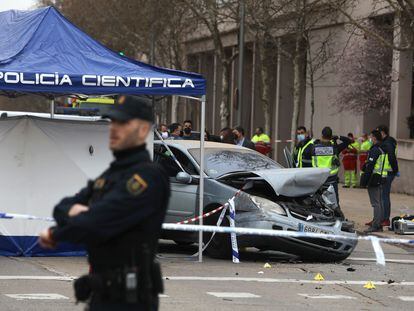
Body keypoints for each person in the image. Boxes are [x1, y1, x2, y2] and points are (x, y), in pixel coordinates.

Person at [39, 95, 170, 311]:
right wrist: (82, 213)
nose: (114, 128)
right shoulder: (110, 175)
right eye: (113, 122)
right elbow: (61, 207)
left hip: (131, 299)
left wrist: (55, 234)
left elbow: (96, 222)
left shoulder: (148, 177)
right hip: (101, 294)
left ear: (144, 130)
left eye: (123, 123)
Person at [311, 126, 352, 218]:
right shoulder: (335, 148)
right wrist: (338, 137)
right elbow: (349, 141)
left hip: (319, 178)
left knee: (319, 201)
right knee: (334, 202)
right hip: (331, 180)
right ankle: (337, 219)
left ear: (322, 135)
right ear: (330, 136)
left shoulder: (314, 148)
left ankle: (320, 217)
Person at [360, 130, 387, 233]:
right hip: (380, 178)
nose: (370, 139)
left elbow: (370, 166)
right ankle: (379, 224)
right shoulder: (382, 149)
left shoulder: (375, 150)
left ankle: (375, 225)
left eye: (371, 137)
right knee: (380, 203)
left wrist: (364, 181)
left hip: (374, 179)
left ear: (374, 138)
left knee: (376, 203)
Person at [377, 125, 399, 227]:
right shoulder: (388, 141)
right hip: (386, 172)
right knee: (381, 196)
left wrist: (395, 170)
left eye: (378, 133)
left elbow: (391, 156)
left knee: (384, 196)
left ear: (382, 132)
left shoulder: (388, 142)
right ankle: (378, 218)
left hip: (387, 173)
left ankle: (385, 219)